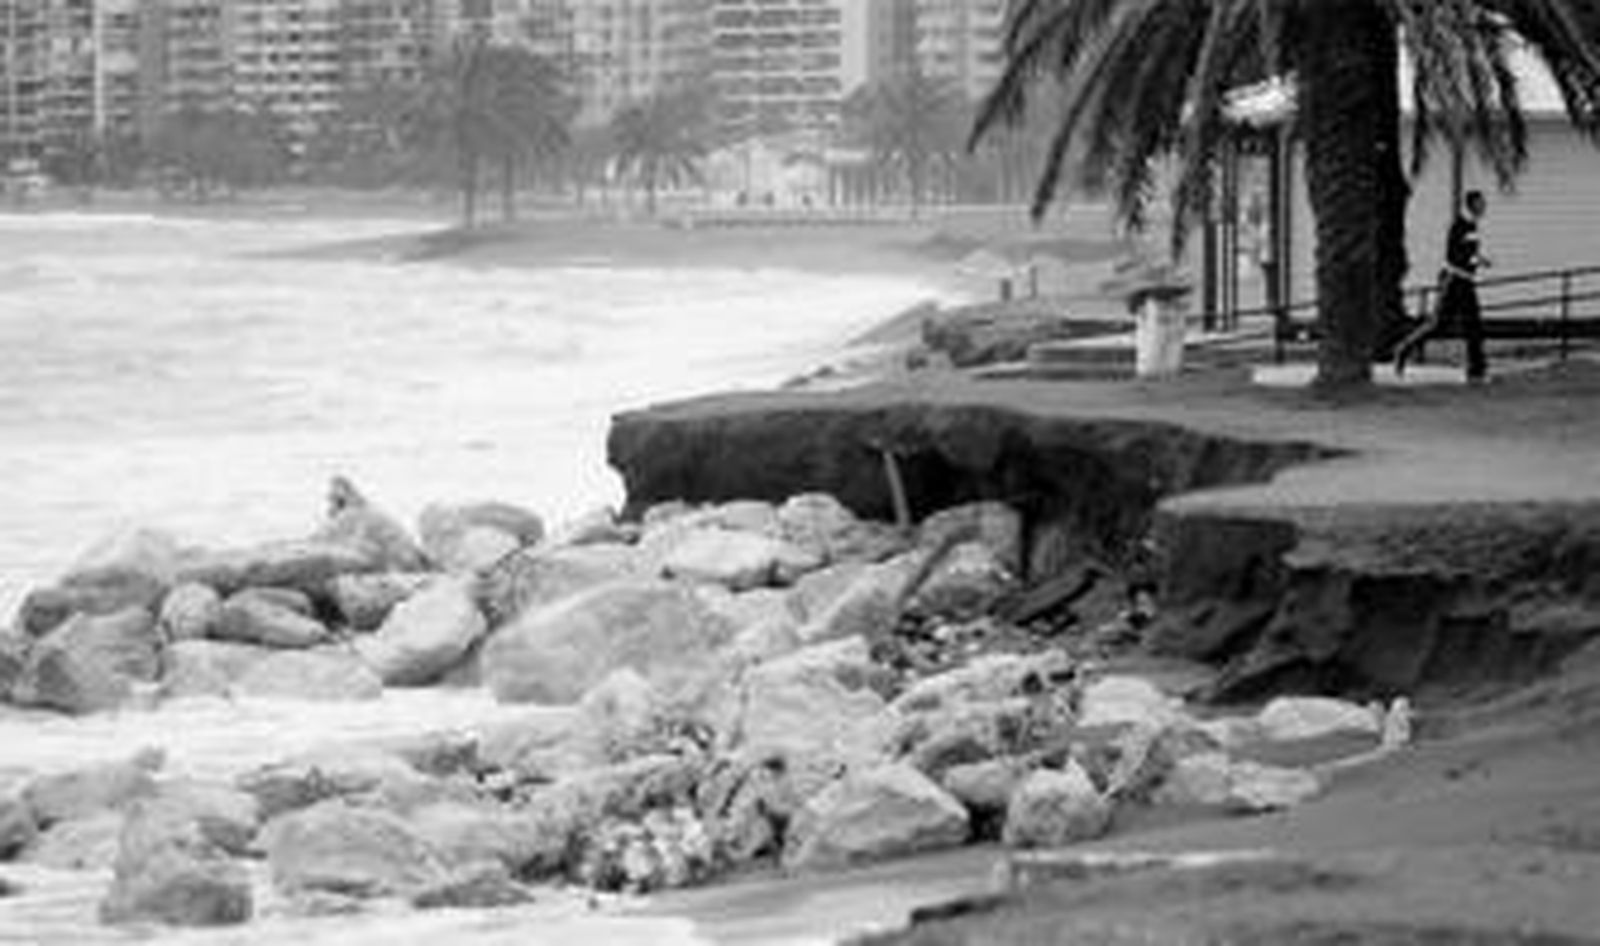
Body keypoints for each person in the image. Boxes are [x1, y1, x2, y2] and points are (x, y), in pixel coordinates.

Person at [1394, 189, 1491, 382]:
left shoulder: (1472, 226)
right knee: (1439, 324)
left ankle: (1476, 369)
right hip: (1452, 281)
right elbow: (1456, 256)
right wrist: (1475, 261)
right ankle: (1403, 349)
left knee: (1473, 325)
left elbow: (1468, 252)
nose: (1484, 207)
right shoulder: (1459, 225)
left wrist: (1480, 259)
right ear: (1472, 205)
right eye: (1481, 203)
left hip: (1466, 282)